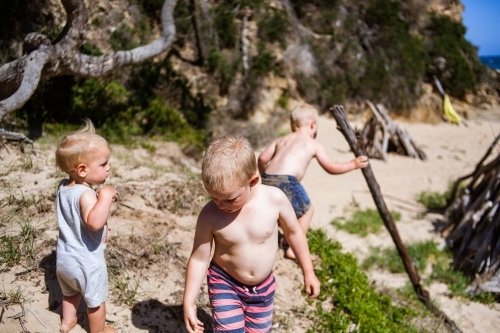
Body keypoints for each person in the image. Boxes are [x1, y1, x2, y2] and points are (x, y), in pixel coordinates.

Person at [183, 135, 320, 333]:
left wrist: (308, 272)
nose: (221, 205)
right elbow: (199, 258)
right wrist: (189, 301)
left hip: (263, 289)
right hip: (225, 282)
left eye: (230, 199)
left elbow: (294, 233)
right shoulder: (209, 215)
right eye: (213, 197)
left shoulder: (274, 200)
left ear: (252, 181)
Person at [258, 103, 368, 259]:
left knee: (282, 211)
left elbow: (262, 158)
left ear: (292, 125)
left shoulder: (281, 140)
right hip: (288, 181)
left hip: (268, 178)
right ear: (313, 124)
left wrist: (266, 177)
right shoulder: (313, 144)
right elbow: (331, 167)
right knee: (306, 211)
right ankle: (294, 248)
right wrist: (353, 164)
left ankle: (284, 238)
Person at [55, 119, 119, 333]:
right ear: (82, 170)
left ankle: (68, 322)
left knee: (70, 293)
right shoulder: (87, 194)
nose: (108, 167)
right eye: (103, 164)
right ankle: (98, 331)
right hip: (87, 261)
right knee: (96, 301)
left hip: (65, 258)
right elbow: (93, 222)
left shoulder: (63, 187)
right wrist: (106, 196)